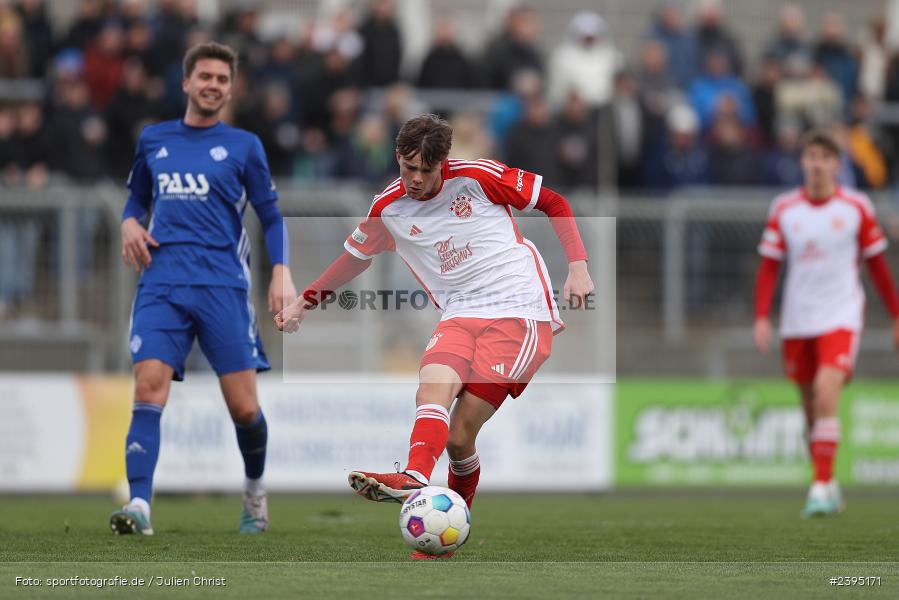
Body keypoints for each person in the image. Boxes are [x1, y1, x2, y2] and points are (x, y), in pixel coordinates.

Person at [275, 113, 593, 559]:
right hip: (459, 313)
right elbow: (354, 259)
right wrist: (304, 303)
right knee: (432, 384)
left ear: (444, 162)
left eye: (427, 170)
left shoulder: (479, 177)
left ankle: (448, 524)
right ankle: (416, 477)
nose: (417, 180)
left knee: (461, 438)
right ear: (397, 158)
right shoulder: (388, 208)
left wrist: (578, 268)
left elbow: (554, 202)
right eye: (409, 168)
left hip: (519, 310)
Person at [109, 42, 296, 536]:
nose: (213, 85)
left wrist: (281, 271)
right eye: (205, 76)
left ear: (231, 90)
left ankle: (254, 491)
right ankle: (140, 505)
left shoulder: (244, 146)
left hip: (222, 286)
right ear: (186, 83)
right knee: (148, 386)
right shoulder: (154, 139)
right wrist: (128, 222)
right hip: (162, 282)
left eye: (222, 79)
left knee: (245, 407)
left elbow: (271, 216)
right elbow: (136, 199)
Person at [753, 129, 899, 518]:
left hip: (841, 315)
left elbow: (878, 266)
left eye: (824, 157)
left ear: (837, 164)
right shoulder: (784, 208)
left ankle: (818, 487)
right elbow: (769, 267)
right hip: (798, 320)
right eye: (811, 157)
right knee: (810, 410)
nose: (817, 164)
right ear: (803, 162)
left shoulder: (856, 207)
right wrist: (762, 316)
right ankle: (828, 482)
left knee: (825, 390)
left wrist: (897, 315)